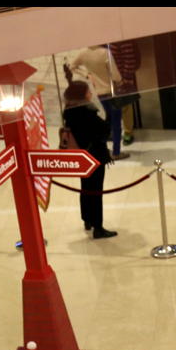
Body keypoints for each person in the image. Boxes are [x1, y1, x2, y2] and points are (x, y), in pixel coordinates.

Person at [62, 81, 118, 239]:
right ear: (82, 95)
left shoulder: (69, 111)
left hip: (81, 156)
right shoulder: (86, 112)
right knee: (96, 191)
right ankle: (98, 227)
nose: (91, 94)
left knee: (85, 188)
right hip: (94, 155)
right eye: (88, 91)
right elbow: (103, 131)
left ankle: (87, 219)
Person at [70, 45, 128, 160]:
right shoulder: (105, 52)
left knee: (109, 118)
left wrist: (87, 75)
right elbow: (116, 76)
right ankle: (116, 152)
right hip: (112, 92)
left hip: (100, 92)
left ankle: (100, 147)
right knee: (116, 121)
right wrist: (122, 82)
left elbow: (72, 66)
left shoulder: (83, 52)